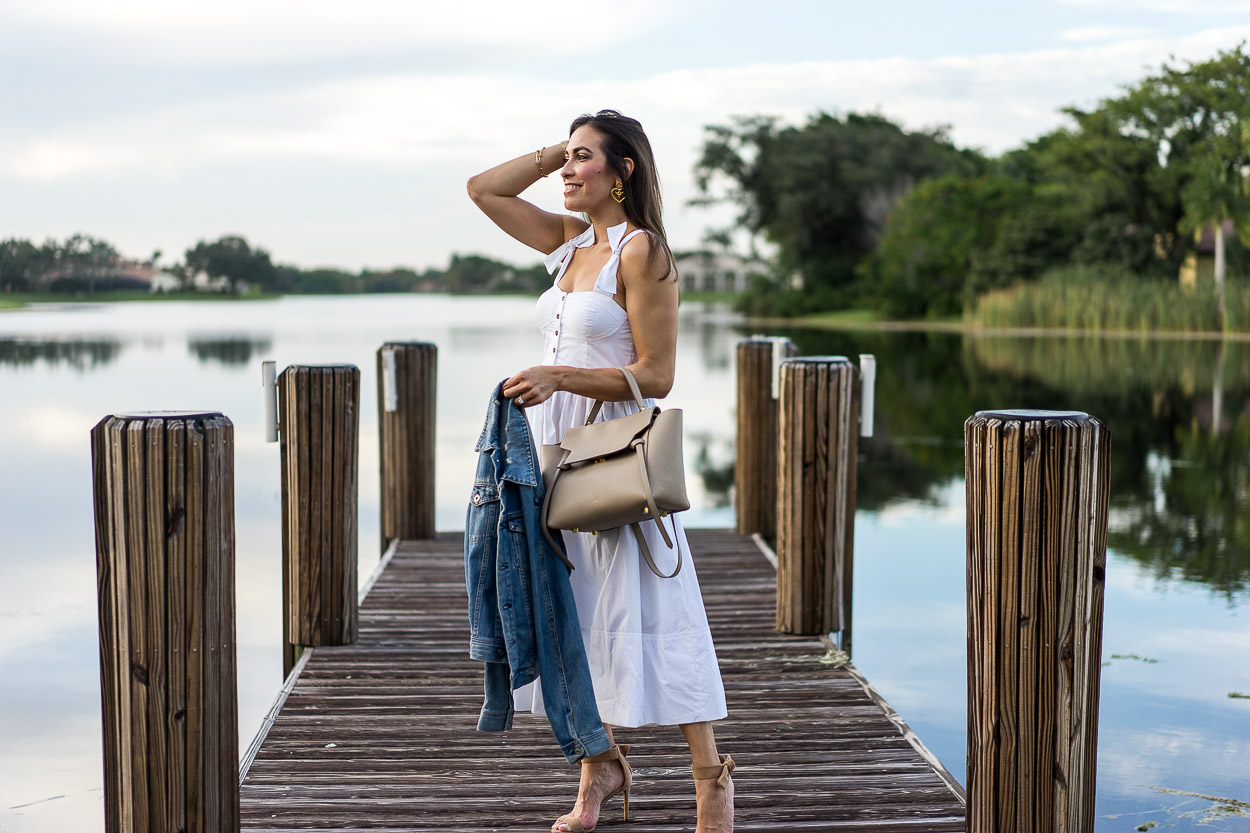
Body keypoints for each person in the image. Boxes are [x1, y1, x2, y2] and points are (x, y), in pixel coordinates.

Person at [467, 109, 734, 833]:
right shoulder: (566, 243)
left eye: (585, 160)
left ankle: (710, 777)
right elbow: (483, 189)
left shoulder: (641, 251)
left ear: (625, 172)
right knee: (572, 614)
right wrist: (562, 145)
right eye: (566, 159)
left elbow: (659, 372)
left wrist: (560, 376)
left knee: (657, 611)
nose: (566, 171)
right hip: (552, 459)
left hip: (615, 456)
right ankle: (600, 769)